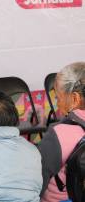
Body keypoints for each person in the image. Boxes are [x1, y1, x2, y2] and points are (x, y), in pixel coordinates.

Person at [38, 62, 85, 202]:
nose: (57, 104)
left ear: (75, 98)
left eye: (58, 97)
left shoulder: (58, 133)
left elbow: (38, 181)